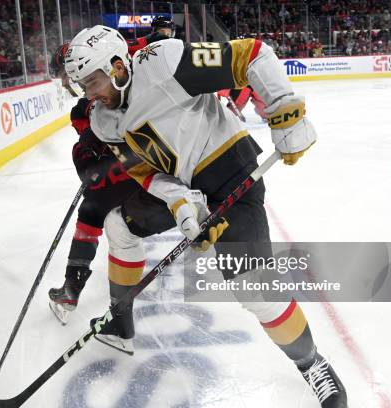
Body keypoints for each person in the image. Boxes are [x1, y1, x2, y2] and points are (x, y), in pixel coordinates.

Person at [65, 25, 347, 407]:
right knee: (119, 225)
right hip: (183, 184)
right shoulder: (103, 121)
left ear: (118, 66)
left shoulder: (162, 62)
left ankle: (312, 365)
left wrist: (285, 110)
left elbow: (251, 55)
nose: (90, 94)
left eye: (93, 81)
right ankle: (120, 319)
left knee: (255, 288)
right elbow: (144, 172)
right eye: (82, 86)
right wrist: (182, 203)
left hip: (232, 173)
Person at [47, 42, 176, 355]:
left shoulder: (116, 79)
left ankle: (72, 290)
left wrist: (89, 154)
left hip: (138, 167)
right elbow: (92, 131)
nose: (67, 83)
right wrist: (90, 153)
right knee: (97, 213)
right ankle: (88, 298)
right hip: (133, 169)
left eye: (66, 77)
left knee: (92, 212)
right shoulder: (88, 102)